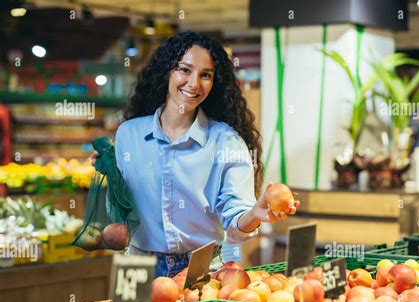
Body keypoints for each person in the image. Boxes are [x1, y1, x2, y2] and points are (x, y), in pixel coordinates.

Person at [92, 31, 299, 277]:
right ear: (167, 71)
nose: (194, 83)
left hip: (201, 270)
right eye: (185, 70)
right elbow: (123, 209)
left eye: (206, 75)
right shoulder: (129, 134)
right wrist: (110, 173)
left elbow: (235, 219)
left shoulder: (226, 142)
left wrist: (254, 214)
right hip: (138, 266)